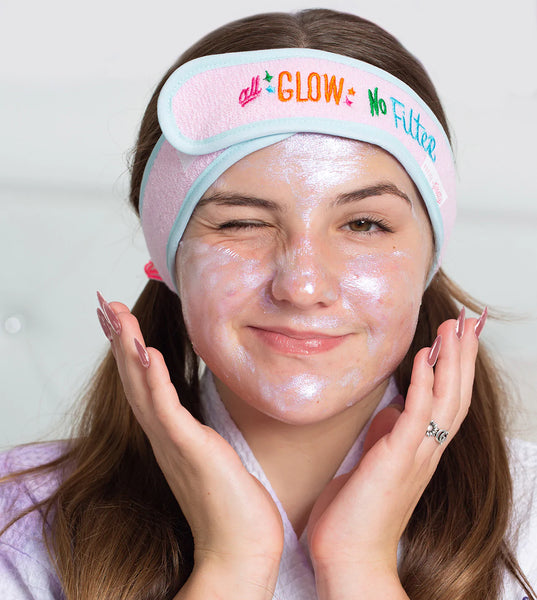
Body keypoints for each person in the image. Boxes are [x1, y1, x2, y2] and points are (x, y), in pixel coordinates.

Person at [1, 8, 536, 600]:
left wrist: (359, 566)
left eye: (363, 224)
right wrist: (231, 564)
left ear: (428, 255)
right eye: (242, 223)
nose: (302, 286)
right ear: (169, 257)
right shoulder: (20, 521)